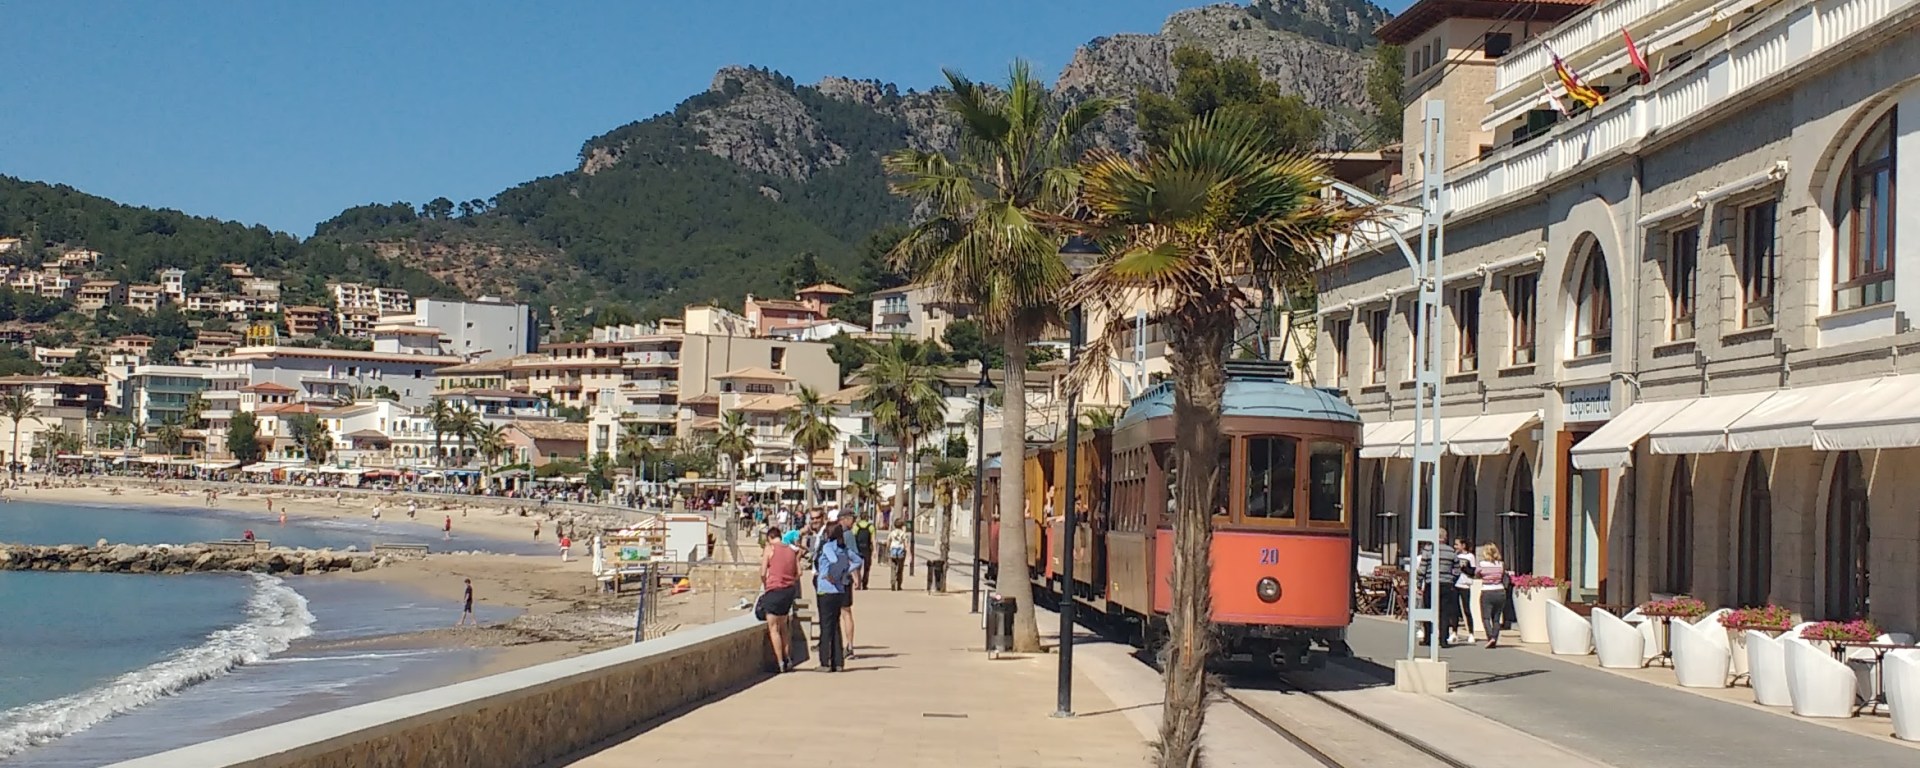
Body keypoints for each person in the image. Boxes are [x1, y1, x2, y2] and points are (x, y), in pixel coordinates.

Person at [813, 521, 861, 671]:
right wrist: (845, 571)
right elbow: (859, 560)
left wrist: (830, 573)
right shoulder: (844, 549)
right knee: (835, 626)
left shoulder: (828, 546)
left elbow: (832, 559)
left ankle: (825, 662)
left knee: (825, 626)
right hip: (839, 590)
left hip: (825, 589)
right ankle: (838, 662)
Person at [758, 526, 800, 672]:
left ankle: (780, 662)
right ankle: (788, 659)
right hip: (788, 591)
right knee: (784, 626)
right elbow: (798, 573)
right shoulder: (790, 550)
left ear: (770, 538)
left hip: (774, 590)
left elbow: (763, 572)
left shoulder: (770, 549)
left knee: (773, 628)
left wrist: (766, 585)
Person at [1476, 543, 1510, 648]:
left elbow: (1477, 574)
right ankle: (1495, 637)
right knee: (1496, 618)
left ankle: (1490, 637)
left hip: (1487, 590)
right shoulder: (1501, 564)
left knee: (1486, 617)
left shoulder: (1482, 564)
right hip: (1500, 591)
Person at [1452, 537, 1478, 645]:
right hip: (1455, 583)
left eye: (1457, 544)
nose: (1455, 546)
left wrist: (1463, 568)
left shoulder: (1470, 556)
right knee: (1454, 609)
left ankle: (1471, 633)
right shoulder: (1455, 555)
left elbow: (1472, 571)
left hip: (1465, 584)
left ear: (1463, 545)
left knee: (1466, 609)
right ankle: (1454, 632)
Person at [852, 514, 876, 590]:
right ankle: (864, 584)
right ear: (867, 518)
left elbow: (853, 537)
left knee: (857, 567)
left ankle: (857, 583)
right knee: (867, 567)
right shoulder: (871, 527)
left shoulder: (856, 526)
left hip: (858, 548)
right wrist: (875, 550)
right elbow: (873, 539)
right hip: (867, 549)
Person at [886, 523, 910, 591]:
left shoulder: (892, 533)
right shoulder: (903, 534)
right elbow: (906, 544)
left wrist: (887, 550)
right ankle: (899, 585)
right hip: (901, 552)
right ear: (901, 526)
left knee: (893, 568)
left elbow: (888, 542)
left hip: (893, 552)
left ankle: (893, 582)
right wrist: (908, 553)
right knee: (900, 568)